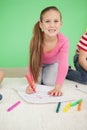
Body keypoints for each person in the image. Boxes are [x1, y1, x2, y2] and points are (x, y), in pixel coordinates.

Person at [26, 6, 69, 96]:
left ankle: (68, 71)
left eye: (56, 21)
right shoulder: (35, 40)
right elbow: (32, 62)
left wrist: (58, 87)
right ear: (41, 24)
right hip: (38, 64)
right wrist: (31, 82)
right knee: (37, 82)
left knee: (49, 83)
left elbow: (63, 63)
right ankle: (42, 73)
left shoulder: (64, 41)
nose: (52, 25)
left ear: (61, 24)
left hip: (53, 63)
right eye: (47, 21)